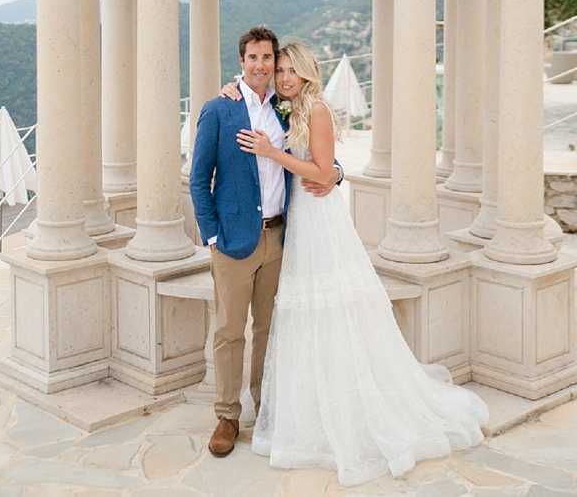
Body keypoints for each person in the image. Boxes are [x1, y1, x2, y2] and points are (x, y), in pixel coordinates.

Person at [230, 41, 488, 487]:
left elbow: (321, 169)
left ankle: (349, 405)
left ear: (308, 72)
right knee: (305, 310)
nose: (285, 77)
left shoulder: (318, 110)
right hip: (300, 217)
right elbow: (325, 167)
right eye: (281, 70)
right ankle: (312, 400)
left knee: (332, 304)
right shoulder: (286, 107)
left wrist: (274, 154)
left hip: (319, 219)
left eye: (292, 70)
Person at [189, 27, 343, 459]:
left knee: (268, 329)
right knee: (228, 331)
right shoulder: (219, 109)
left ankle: (266, 408)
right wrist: (213, 234)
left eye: (268, 60)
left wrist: (338, 176)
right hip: (234, 241)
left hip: (281, 236)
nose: (261, 67)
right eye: (253, 58)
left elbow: (318, 158)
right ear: (241, 61)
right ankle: (227, 414)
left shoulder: (284, 109)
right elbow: (199, 179)